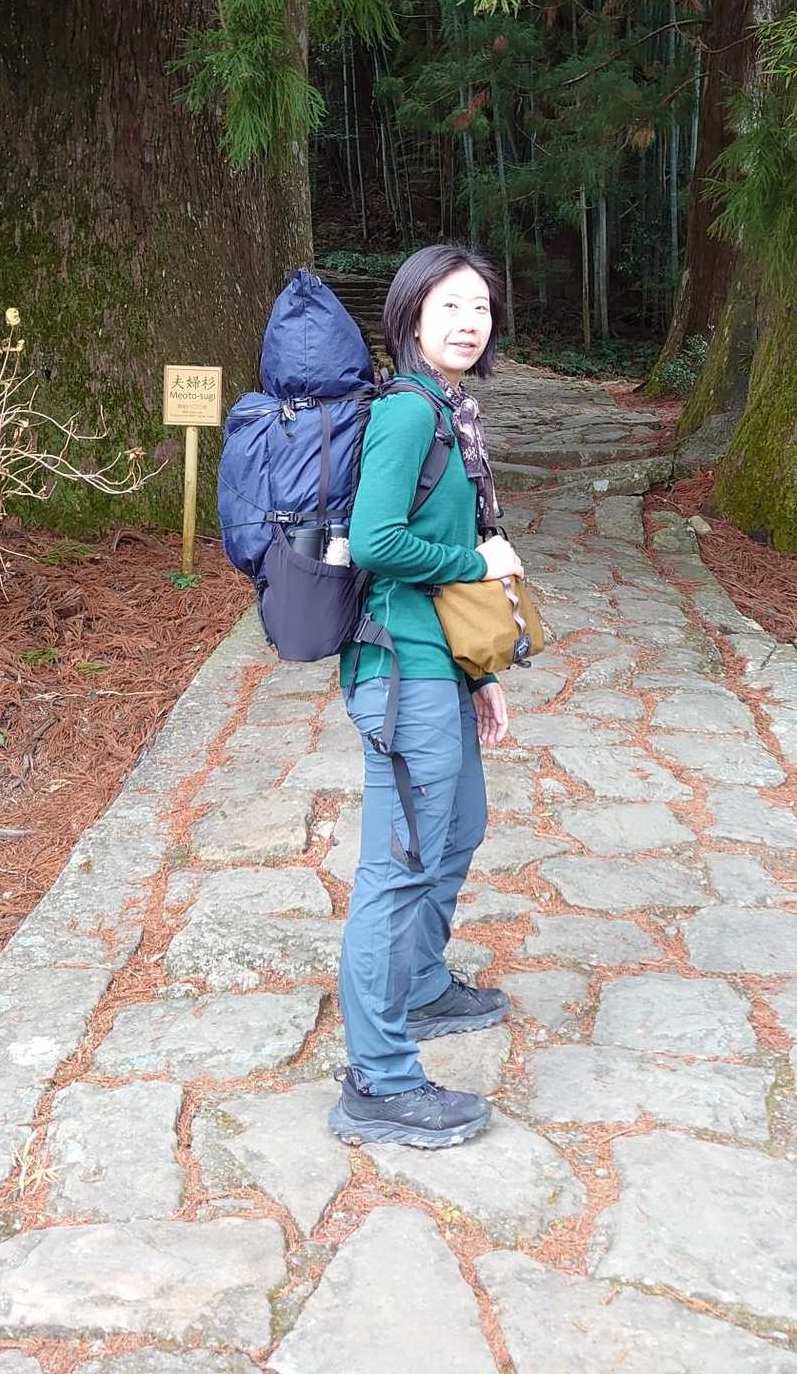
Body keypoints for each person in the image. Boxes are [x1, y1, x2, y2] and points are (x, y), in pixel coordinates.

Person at [328, 244, 525, 1148]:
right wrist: (476, 562)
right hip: (399, 671)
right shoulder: (409, 412)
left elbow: (438, 565)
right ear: (411, 314)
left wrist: (481, 676)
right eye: (449, 305)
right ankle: (378, 1080)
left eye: (479, 307)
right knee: (397, 866)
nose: (467, 322)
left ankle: (419, 983)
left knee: (462, 824)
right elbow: (376, 542)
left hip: (439, 666)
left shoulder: (451, 412)